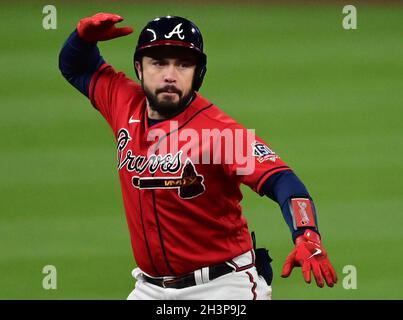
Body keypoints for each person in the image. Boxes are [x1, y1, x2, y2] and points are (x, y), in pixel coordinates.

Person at [59, 12, 337, 300]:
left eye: (183, 64)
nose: (170, 74)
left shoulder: (218, 131)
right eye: (158, 63)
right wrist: (82, 37)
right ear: (139, 69)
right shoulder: (123, 102)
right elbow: (76, 67)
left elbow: (283, 180)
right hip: (148, 289)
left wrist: (307, 235)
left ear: (198, 73)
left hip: (222, 287)